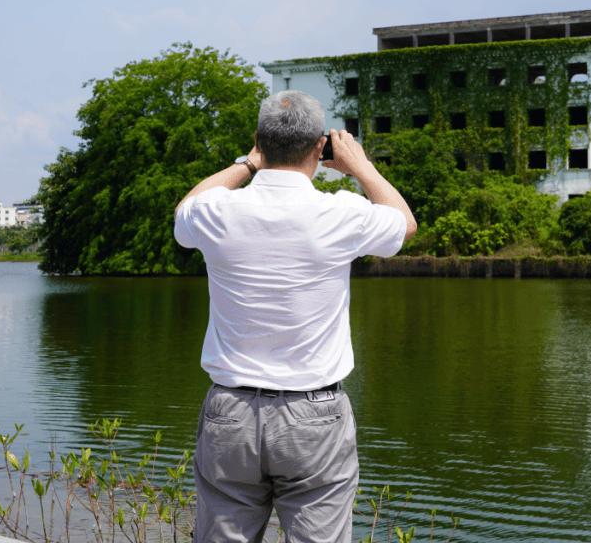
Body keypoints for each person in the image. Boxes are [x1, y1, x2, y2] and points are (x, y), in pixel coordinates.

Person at [174, 90, 416, 543]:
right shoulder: (339, 212)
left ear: (259, 141)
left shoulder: (218, 212)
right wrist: (360, 166)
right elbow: (403, 224)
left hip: (231, 413)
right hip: (314, 416)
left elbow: (184, 211)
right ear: (320, 147)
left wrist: (247, 163)